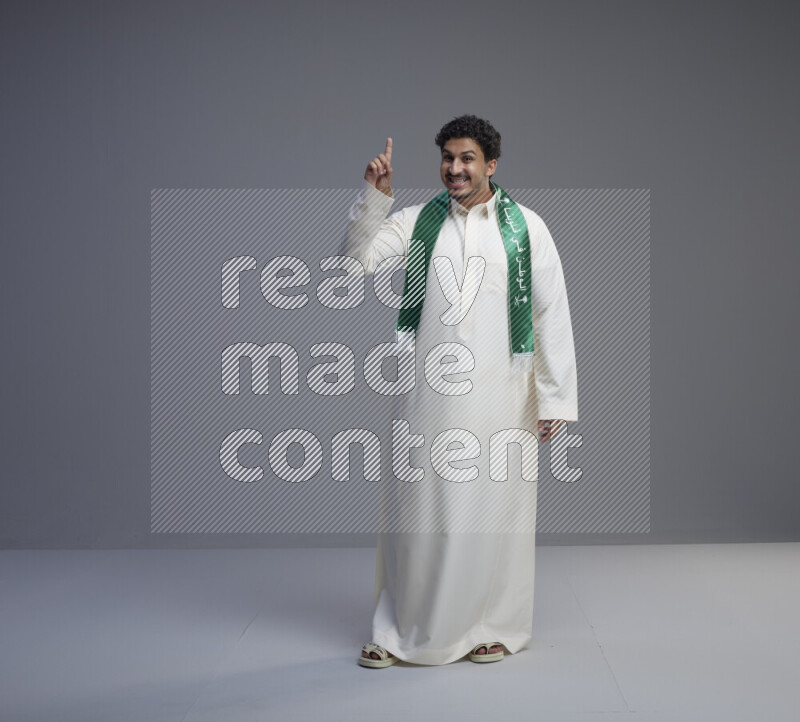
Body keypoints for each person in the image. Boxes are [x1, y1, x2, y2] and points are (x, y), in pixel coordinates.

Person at [337, 115, 578, 667]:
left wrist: (554, 397)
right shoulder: (417, 221)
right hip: (427, 389)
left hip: (504, 392)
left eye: (467, 158)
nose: (455, 168)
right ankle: (400, 629)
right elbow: (355, 264)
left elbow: (550, 312)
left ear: (491, 165)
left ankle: (493, 626)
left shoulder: (526, 229)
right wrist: (372, 202)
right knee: (418, 509)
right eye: (448, 158)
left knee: (495, 511)